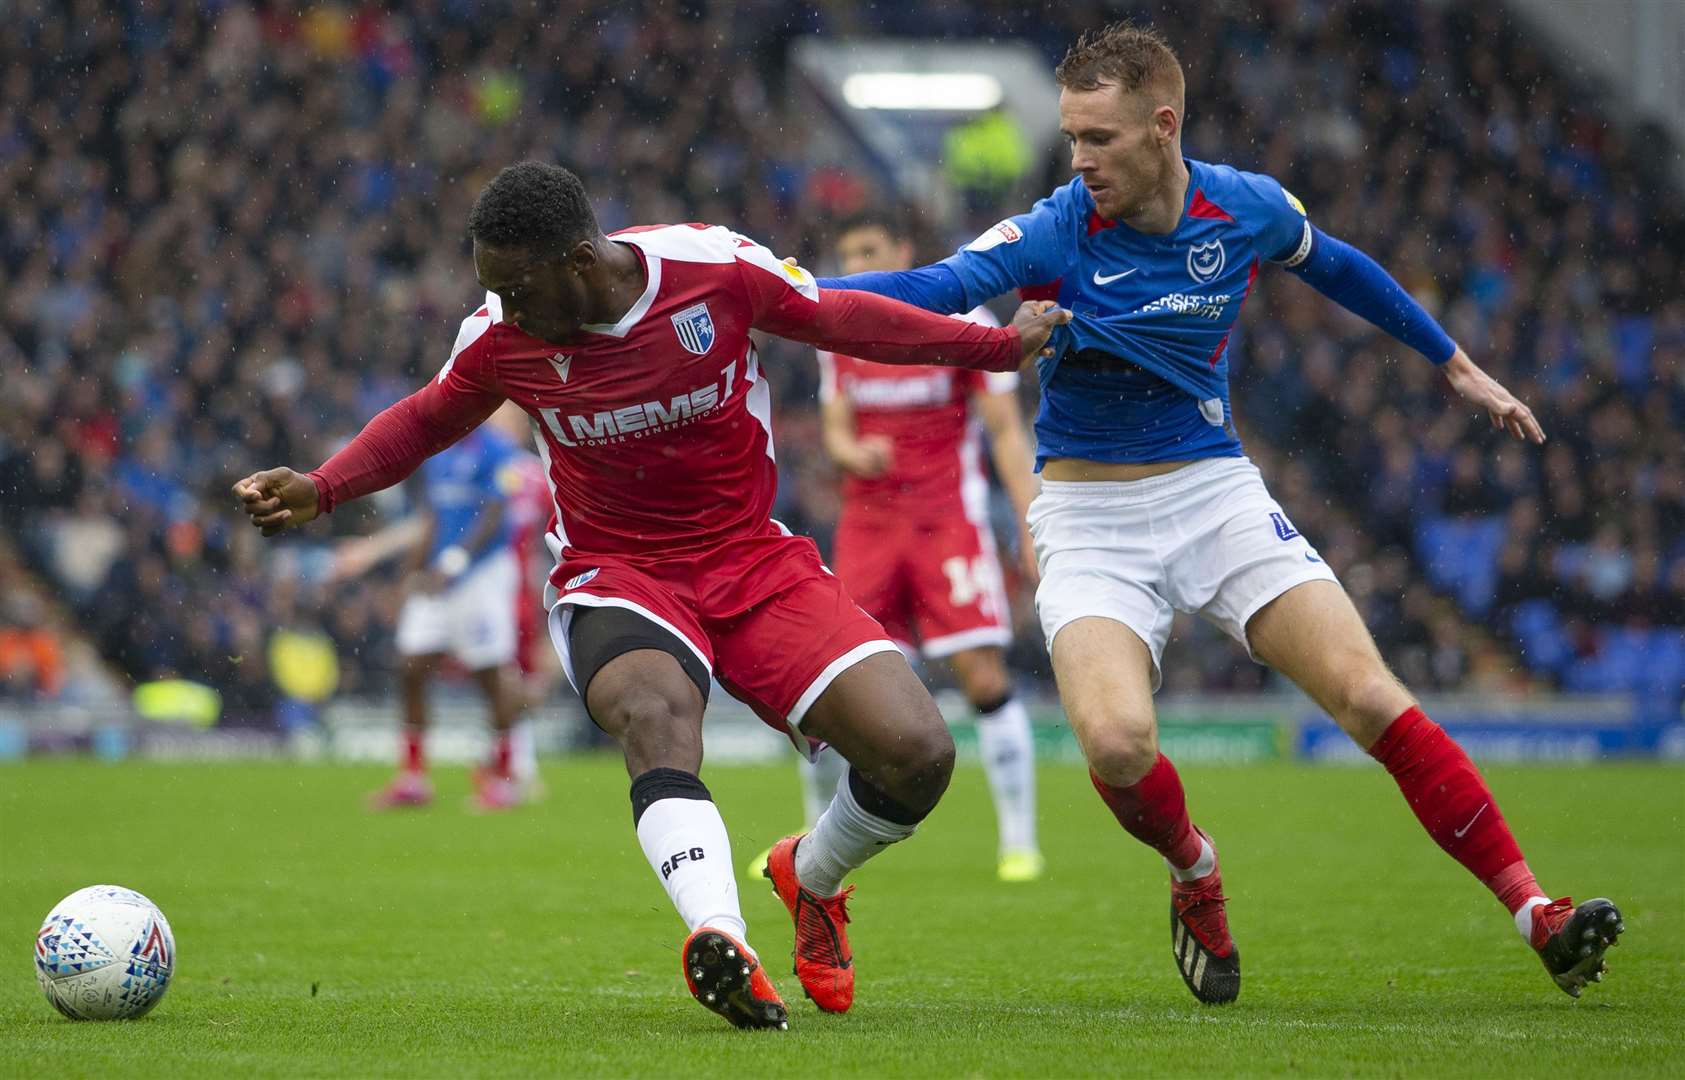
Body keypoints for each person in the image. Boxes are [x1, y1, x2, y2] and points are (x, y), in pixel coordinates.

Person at [820, 22, 1621, 1004]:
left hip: (1212, 492)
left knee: (1369, 697)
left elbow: (1336, 265)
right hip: (1088, 516)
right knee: (1116, 746)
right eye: (1071, 138)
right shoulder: (1055, 228)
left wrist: (1451, 364)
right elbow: (933, 288)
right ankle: (1194, 868)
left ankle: (1532, 908)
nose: (1078, 161)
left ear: (1162, 127)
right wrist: (781, 293)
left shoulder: (1241, 208)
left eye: (1099, 139)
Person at [235, 161, 1068, 1030]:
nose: (508, 312)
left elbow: (843, 319)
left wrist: (996, 348)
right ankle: (721, 933)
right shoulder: (498, 335)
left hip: (750, 560)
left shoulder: (712, 268)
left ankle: (810, 877)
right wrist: (324, 487)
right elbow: (428, 415)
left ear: (580, 262)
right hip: (617, 572)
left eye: (519, 290)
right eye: (495, 293)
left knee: (918, 754)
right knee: (652, 711)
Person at [772, 209, 1044, 883]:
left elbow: (1006, 433)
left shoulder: (967, 321)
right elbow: (834, 427)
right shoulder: (834, 331)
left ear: (901, 248)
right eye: (848, 251)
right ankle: (811, 840)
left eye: (870, 246)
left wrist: (1035, 526)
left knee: (982, 677)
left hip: (946, 523)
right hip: (867, 529)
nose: (860, 262)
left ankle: (1019, 839)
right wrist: (847, 449)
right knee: (832, 692)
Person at [330, 417, 540, 810]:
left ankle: (504, 778)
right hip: (438, 576)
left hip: (484, 574)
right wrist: (409, 576)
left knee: (490, 675)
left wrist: (458, 560)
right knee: (411, 667)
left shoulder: (498, 450)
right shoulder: (438, 453)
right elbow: (432, 517)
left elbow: (495, 512)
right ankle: (413, 779)